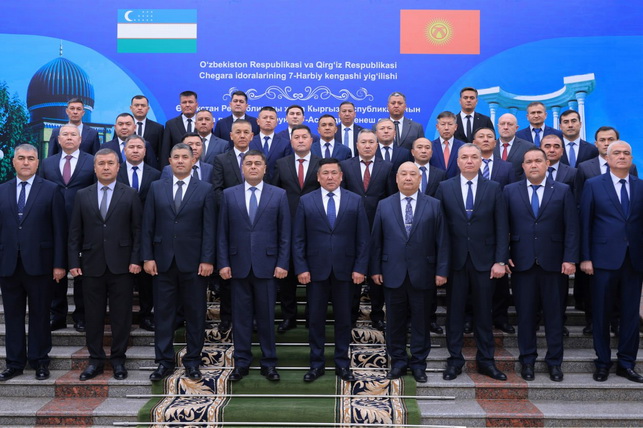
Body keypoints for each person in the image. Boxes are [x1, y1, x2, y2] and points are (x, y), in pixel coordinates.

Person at [142, 143, 215, 381]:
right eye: (176, 157)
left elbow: (209, 228)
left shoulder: (205, 189)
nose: (181, 160)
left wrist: (207, 259)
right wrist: (147, 257)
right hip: (162, 262)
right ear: (170, 161)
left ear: (193, 161)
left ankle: (192, 361)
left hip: (194, 263)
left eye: (185, 157)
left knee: (195, 314)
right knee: (163, 314)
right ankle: (164, 362)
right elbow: (147, 225)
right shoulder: (156, 187)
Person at [504, 148, 578, 382]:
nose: (534, 165)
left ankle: (554, 362)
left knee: (554, 316)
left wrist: (570, 258)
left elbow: (571, 227)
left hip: (554, 264)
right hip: (522, 263)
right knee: (525, 316)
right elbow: (502, 226)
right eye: (529, 161)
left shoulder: (563, 190)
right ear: (523, 166)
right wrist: (503, 254)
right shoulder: (510, 191)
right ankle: (527, 360)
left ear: (547, 164)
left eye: (538, 161)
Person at [436, 144, 509, 381]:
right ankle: (454, 360)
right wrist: (441, 264)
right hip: (455, 263)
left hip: (485, 263)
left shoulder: (494, 188)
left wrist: (500, 260)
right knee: (454, 314)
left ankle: (486, 361)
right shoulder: (444, 187)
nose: (469, 161)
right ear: (457, 161)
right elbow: (439, 229)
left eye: (474, 157)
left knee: (484, 314)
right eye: (464, 157)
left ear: (481, 161)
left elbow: (502, 226)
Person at [370, 162, 449, 383]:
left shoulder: (434, 205)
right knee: (394, 322)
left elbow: (442, 241)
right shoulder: (384, 205)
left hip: (423, 273)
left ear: (419, 178)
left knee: (421, 322)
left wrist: (442, 270)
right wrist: (375, 269)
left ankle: (418, 364)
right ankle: (398, 362)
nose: (408, 178)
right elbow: (376, 240)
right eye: (403, 174)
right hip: (392, 273)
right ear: (396, 179)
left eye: (412, 174)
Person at [68, 149, 142, 381]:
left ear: (118, 167)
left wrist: (136, 259)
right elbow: (75, 232)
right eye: (102, 163)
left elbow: (138, 231)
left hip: (122, 266)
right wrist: (73, 261)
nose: (106, 167)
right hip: (91, 265)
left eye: (111, 163)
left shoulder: (130, 194)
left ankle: (118, 360)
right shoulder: (83, 195)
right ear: (95, 167)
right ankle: (95, 361)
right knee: (93, 316)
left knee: (121, 316)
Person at [293, 158, 369, 383]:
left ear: (341, 176)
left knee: (344, 319)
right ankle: (316, 364)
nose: (330, 177)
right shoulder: (306, 201)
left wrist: (360, 268)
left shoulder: (355, 200)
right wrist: (301, 267)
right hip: (315, 271)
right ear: (318, 177)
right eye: (325, 173)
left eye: (334, 173)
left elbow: (363, 239)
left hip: (346, 272)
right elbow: (298, 238)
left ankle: (342, 364)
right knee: (316, 319)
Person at [218, 149, 290, 382]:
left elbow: (285, 233)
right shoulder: (229, 194)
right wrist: (223, 263)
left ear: (265, 168)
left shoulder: (278, 195)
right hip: (238, 265)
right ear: (242, 167)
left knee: (267, 317)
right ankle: (241, 362)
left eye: (257, 163)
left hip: (267, 266)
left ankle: (269, 363)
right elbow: (222, 232)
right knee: (240, 317)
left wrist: (282, 263)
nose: (253, 167)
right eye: (248, 163)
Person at [0, 144, 66, 382]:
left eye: (30, 158)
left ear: (38, 162)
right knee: (12, 317)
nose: (26, 162)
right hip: (9, 265)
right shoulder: (2, 190)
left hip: (40, 264)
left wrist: (59, 264)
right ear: (14, 162)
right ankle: (14, 363)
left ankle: (40, 361)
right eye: (21, 158)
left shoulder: (51, 190)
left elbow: (60, 230)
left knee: (40, 314)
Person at [580, 141, 643, 383]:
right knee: (601, 314)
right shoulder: (594, 185)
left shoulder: (640, 186)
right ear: (607, 158)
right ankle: (603, 362)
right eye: (616, 153)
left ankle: (626, 363)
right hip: (602, 261)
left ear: (631, 159)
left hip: (634, 261)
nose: (622, 156)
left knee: (630, 316)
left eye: (626, 153)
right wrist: (585, 257)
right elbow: (585, 223)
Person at [40, 124, 95, 332]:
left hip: (84, 225)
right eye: (65, 134)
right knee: (56, 269)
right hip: (53, 225)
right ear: (58, 139)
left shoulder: (92, 161)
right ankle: (57, 315)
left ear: (80, 140)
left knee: (82, 272)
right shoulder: (47, 163)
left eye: (73, 134)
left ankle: (81, 316)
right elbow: (42, 191)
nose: (69, 137)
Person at [340, 129, 393, 331]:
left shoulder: (387, 167)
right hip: (351, 229)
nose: (368, 145)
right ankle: (352, 315)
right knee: (354, 275)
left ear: (377, 145)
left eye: (371, 142)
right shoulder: (346, 166)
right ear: (357, 145)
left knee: (376, 275)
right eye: (363, 142)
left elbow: (390, 198)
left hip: (378, 228)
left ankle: (377, 315)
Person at [272, 124, 322, 332]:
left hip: (316, 228)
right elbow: (274, 193)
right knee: (288, 276)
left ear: (311, 140)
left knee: (314, 275)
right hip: (288, 226)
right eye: (296, 137)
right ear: (291, 141)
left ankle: (312, 317)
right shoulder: (281, 163)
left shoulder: (321, 163)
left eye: (304, 137)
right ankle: (289, 317)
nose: (300, 140)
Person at [116, 135, 161, 332]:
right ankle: (122, 317)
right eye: (131, 147)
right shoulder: (115, 172)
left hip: (147, 230)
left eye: (139, 147)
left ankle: (146, 315)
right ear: (124, 150)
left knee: (145, 279)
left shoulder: (156, 174)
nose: (135, 150)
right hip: (120, 232)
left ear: (145, 151)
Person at [249, 106, 292, 181]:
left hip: (278, 184)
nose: (268, 120)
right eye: (265, 118)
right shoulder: (250, 141)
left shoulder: (285, 143)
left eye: (272, 118)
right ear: (258, 121)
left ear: (277, 122)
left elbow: (287, 169)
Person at [159, 90, 199, 167]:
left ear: (196, 105)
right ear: (180, 105)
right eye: (184, 102)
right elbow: (165, 152)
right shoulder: (171, 124)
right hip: (177, 167)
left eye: (190, 102)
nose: (187, 105)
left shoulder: (203, 123)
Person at [492, 113, 533, 180]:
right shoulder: (490, 147)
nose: (505, 127)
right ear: (498, 126)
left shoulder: (528, 147)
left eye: (510, 124)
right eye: (502, 124)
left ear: (516, 128)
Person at [130, 95, 164, 163]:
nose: (140, 108)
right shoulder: (123, 127)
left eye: (143, 105)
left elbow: (161, 153)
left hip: (151, 167)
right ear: (131, 108)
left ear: (148, 109)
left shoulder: (158, 128)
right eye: (136, 105)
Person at [430, 111, 465, 179]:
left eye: (450, 124)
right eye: (443, 124)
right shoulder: (430, 146)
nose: (446, 128)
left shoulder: (463, 147)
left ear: (455, 127)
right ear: (437, 127)